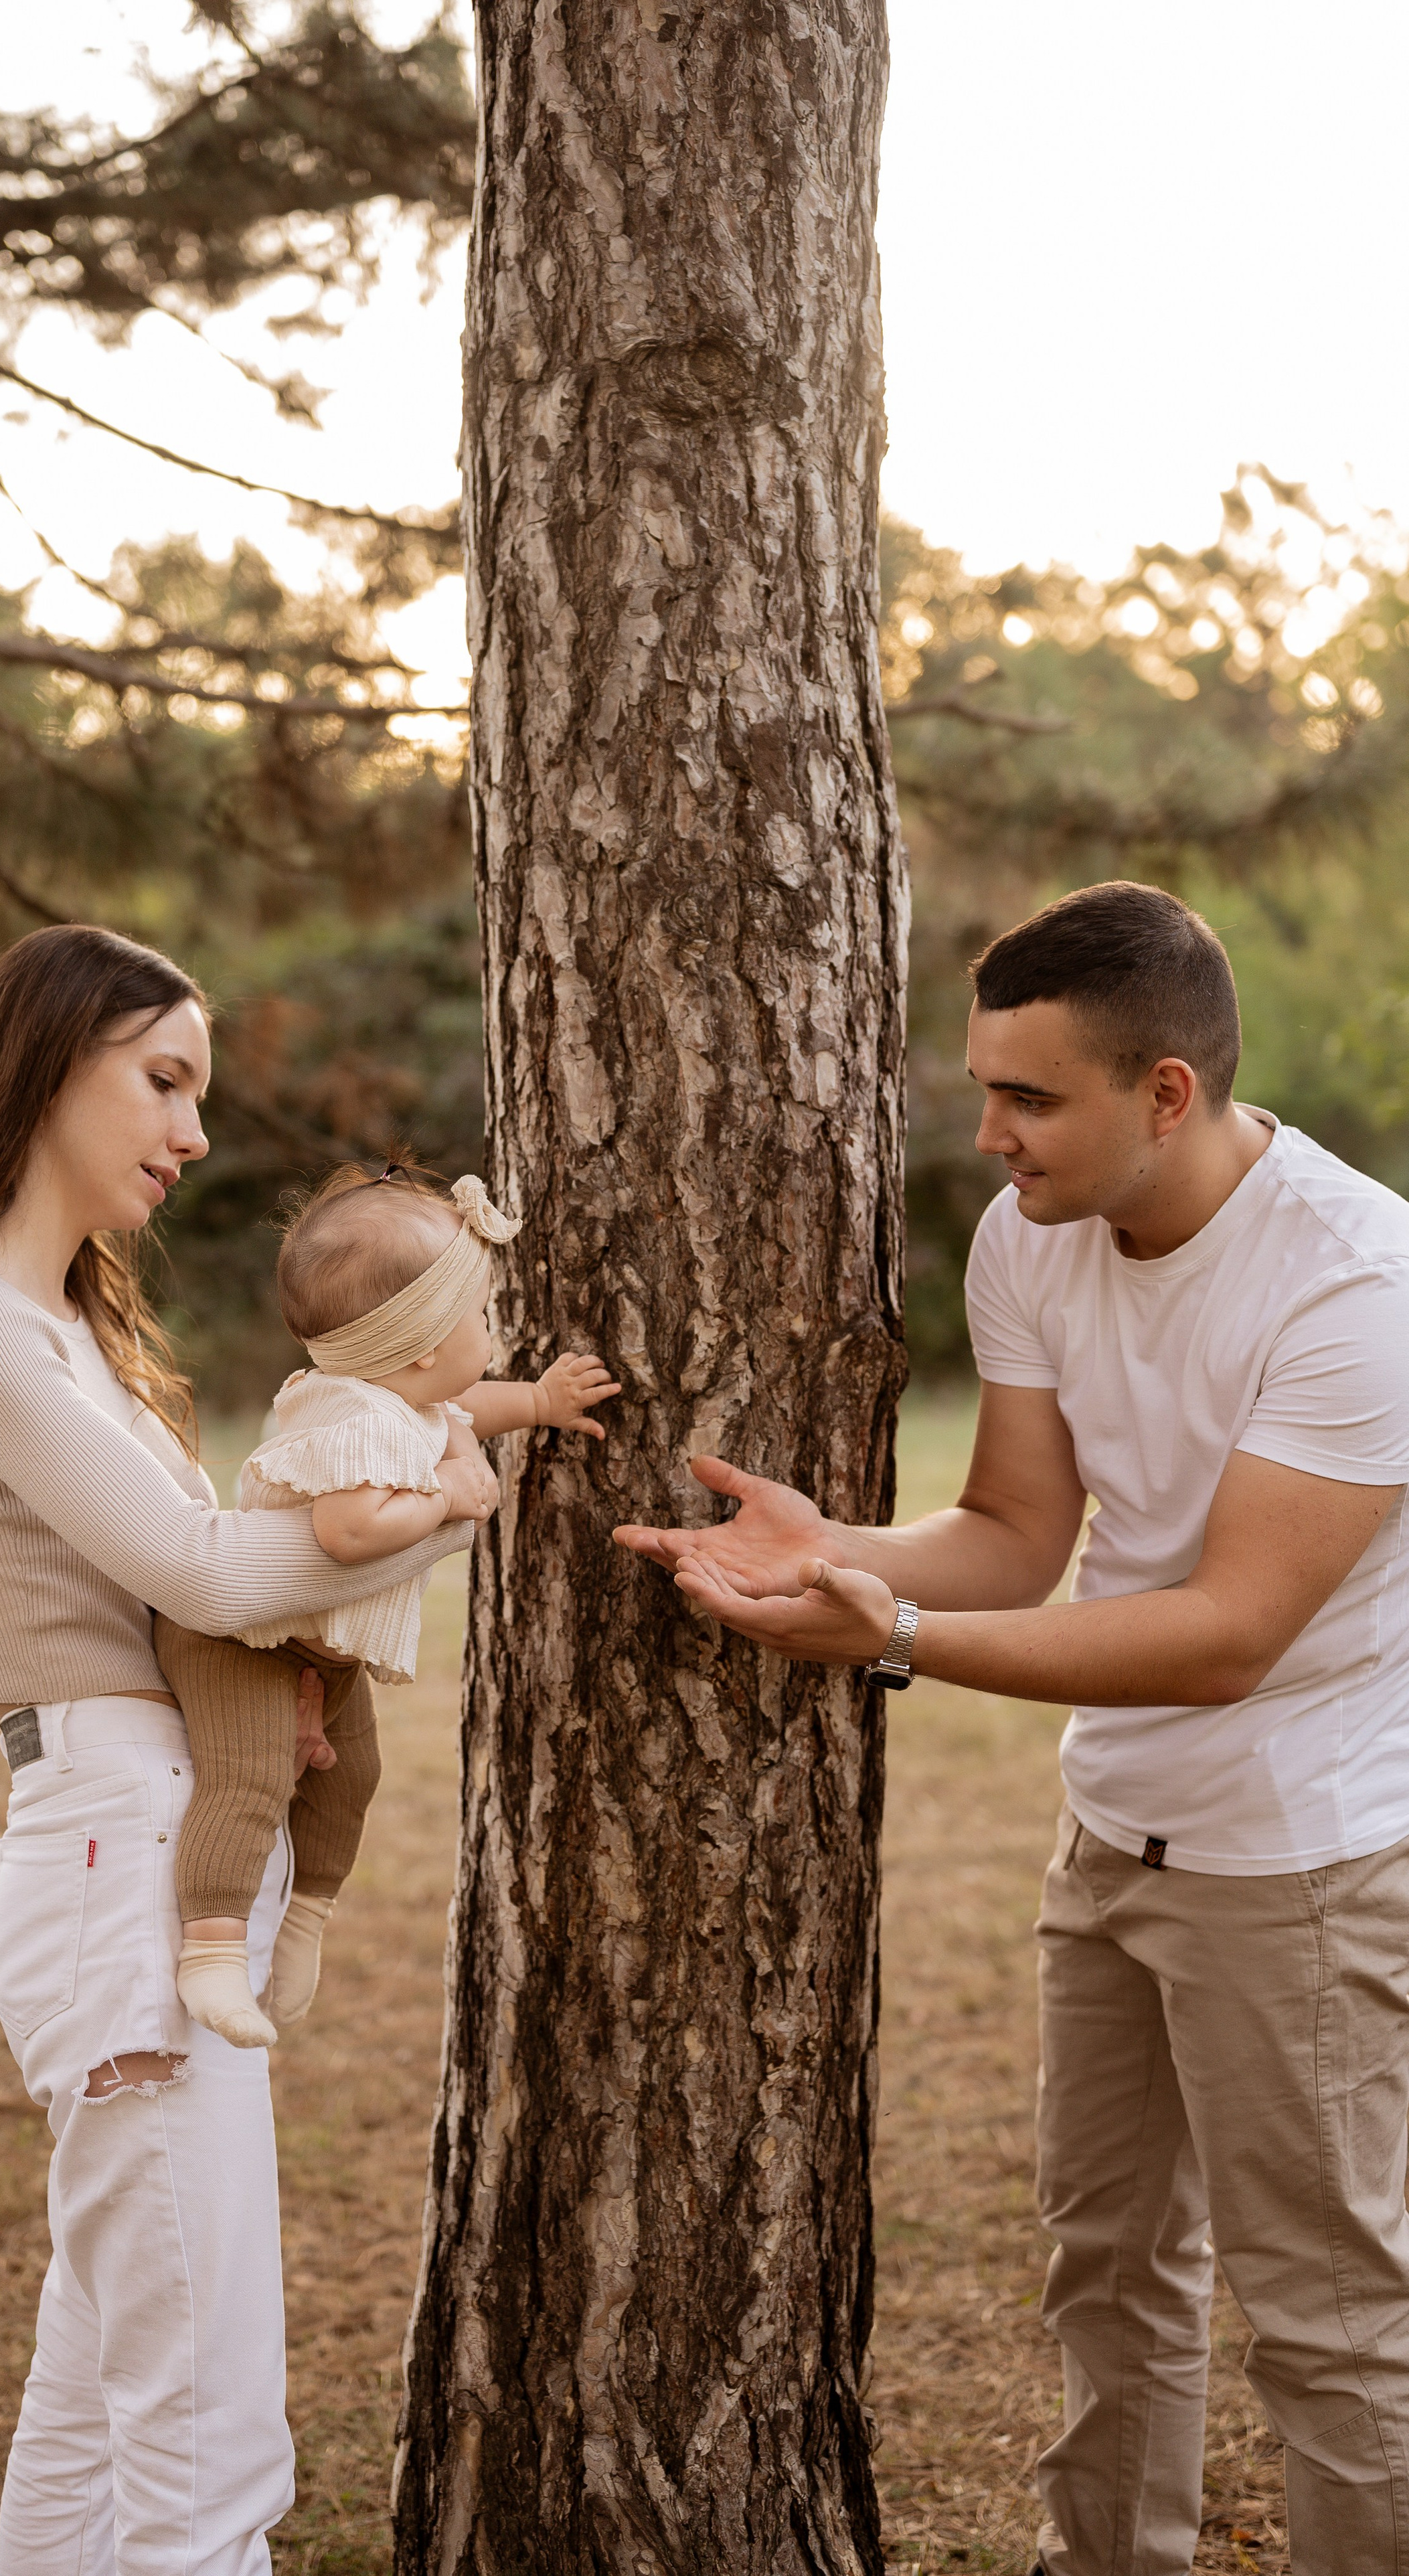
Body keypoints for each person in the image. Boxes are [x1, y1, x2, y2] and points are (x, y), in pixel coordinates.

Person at [614, 880, 1409, 2576]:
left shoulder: (1357, 1285)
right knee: (1105, 2271)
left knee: (1330, 2323)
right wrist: (828, 1547)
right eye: (983, 1089)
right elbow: (1011, 1534)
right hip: (1110, 1829)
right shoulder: (1027, 1236)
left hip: (1297, 1860)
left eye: (1028, 1098)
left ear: (1164, 1093)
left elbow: (1226, 1636)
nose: (986, 1136)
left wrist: (893, 1639)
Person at [0, 924, 495, 2576]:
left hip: (140, 1831)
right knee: (200, 2401)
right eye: (164, 1081)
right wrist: (455, 1496)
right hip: (119, 1846)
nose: (192, 1130)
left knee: (104, 2376)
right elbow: (206, 1577)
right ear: (47, 1067)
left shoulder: (60, 1330)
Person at [160, 1161, 619, 2048]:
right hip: (243, 1645)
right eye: (480, 1316)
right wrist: (446, 1499)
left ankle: (306, 1918)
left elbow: (462, 1409)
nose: (491, 1330)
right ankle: (211, 1954)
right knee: (250, 1779)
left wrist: (539, 1401)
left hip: (317, 1650)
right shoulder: (357, 1420)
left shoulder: (399, 1396)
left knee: (351, 1777)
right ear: (420, 1349)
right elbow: (349, 1530)